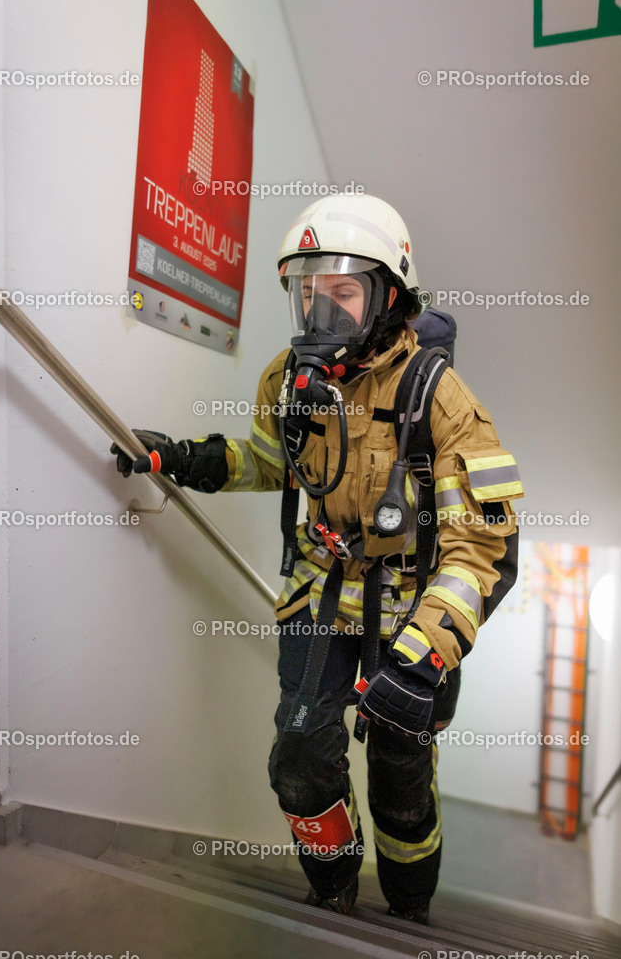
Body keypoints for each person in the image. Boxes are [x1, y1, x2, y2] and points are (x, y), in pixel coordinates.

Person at [111, 194, 523, 925]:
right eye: (308, 292)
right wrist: (183, 458)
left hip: (408, 612)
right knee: (298, 758)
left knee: (400, 776)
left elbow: (482, 545)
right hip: (320, 593)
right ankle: (331, 895)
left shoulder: (438, 396)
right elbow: (271, 462)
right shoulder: (286, 380)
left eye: (342, 292)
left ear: (387, 296)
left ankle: (408, 911)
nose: (321, 310)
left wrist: (422, 659)